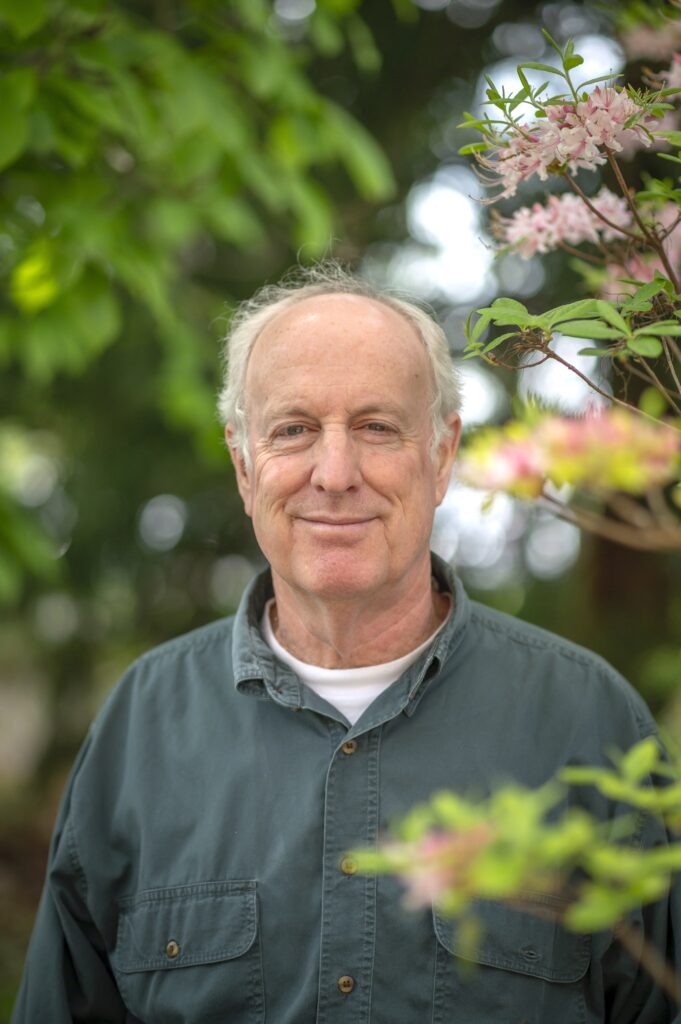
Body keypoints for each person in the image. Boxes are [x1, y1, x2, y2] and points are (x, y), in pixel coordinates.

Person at [12, 264, 681, 1023]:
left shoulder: (587, 722)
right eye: (293, 430)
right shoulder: (140, 726)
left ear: (440, 456)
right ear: (242, 463)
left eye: (376, 427)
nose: (334, 474)